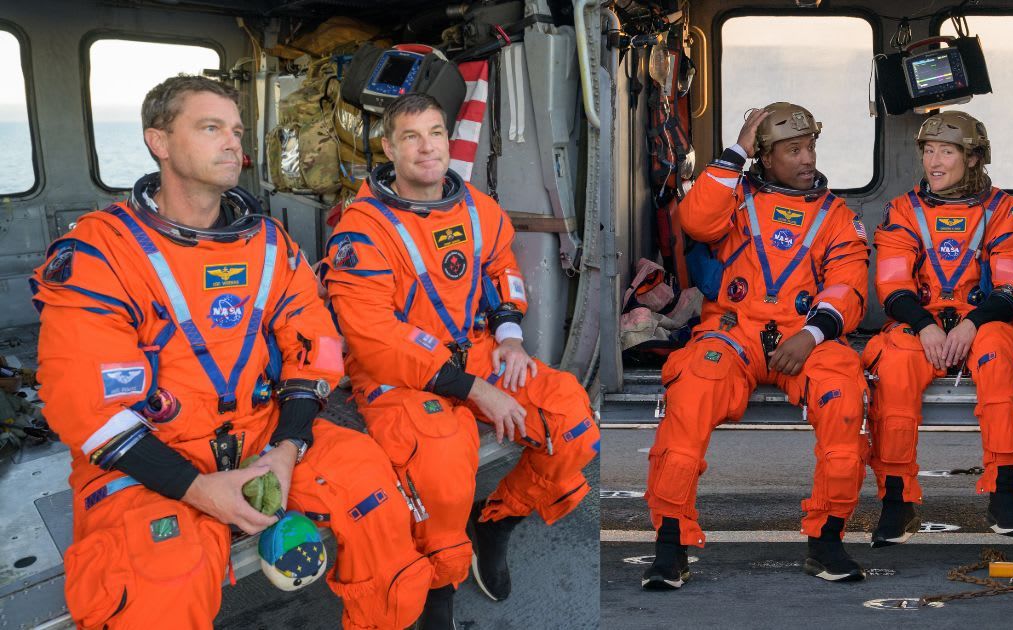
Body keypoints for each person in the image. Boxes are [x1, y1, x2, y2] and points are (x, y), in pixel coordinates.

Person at [31, 76, 432, 629]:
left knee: (375, 492)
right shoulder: (102, 253)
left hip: (264, 433)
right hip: (156, 451)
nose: (232, 143)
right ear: (158, 141)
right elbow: (86, 406)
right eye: (210, 127)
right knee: (160, 581)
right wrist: (197, 489)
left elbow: (315, 351)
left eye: (237, 131)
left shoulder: (270, 245)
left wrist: (288, 447)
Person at [322, 93, 600, 627]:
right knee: (441, 466)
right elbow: (374, 336)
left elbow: (502, 270)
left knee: (569, 418)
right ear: (389, 148)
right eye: (411, 137)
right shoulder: (363, 230)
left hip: (479, 353)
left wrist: (510, 335)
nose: (427, 147)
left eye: (435, 133)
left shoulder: (476, 208)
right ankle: (439, 584)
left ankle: (496, 522)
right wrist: (473, 389)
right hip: (398, 373)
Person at [640, 102, 872, 588]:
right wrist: (735, 153)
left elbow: (847, 287)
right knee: (692, 392)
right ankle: (670, 545)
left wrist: (811, 334)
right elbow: (695, 221)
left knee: (844, 398)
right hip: (733, 331)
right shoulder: (733, 197)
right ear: (765, 157)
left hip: (806, 335)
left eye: (810, 147)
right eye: (793, 150)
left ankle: (827, 540)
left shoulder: (837, 217)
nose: (807, 159)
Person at [865, 110, 1013, 546]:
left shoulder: (1005, 212)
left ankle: (1004, 492)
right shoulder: (903, 211)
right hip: (920, 324)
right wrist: (925, 325)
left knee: (999, 357)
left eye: (946, 151)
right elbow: (892, 286)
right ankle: (896, 501)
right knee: (893, 367)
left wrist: (971, 324)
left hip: (984, 323)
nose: (934, 162)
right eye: (928, 151)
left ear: (974, 157)